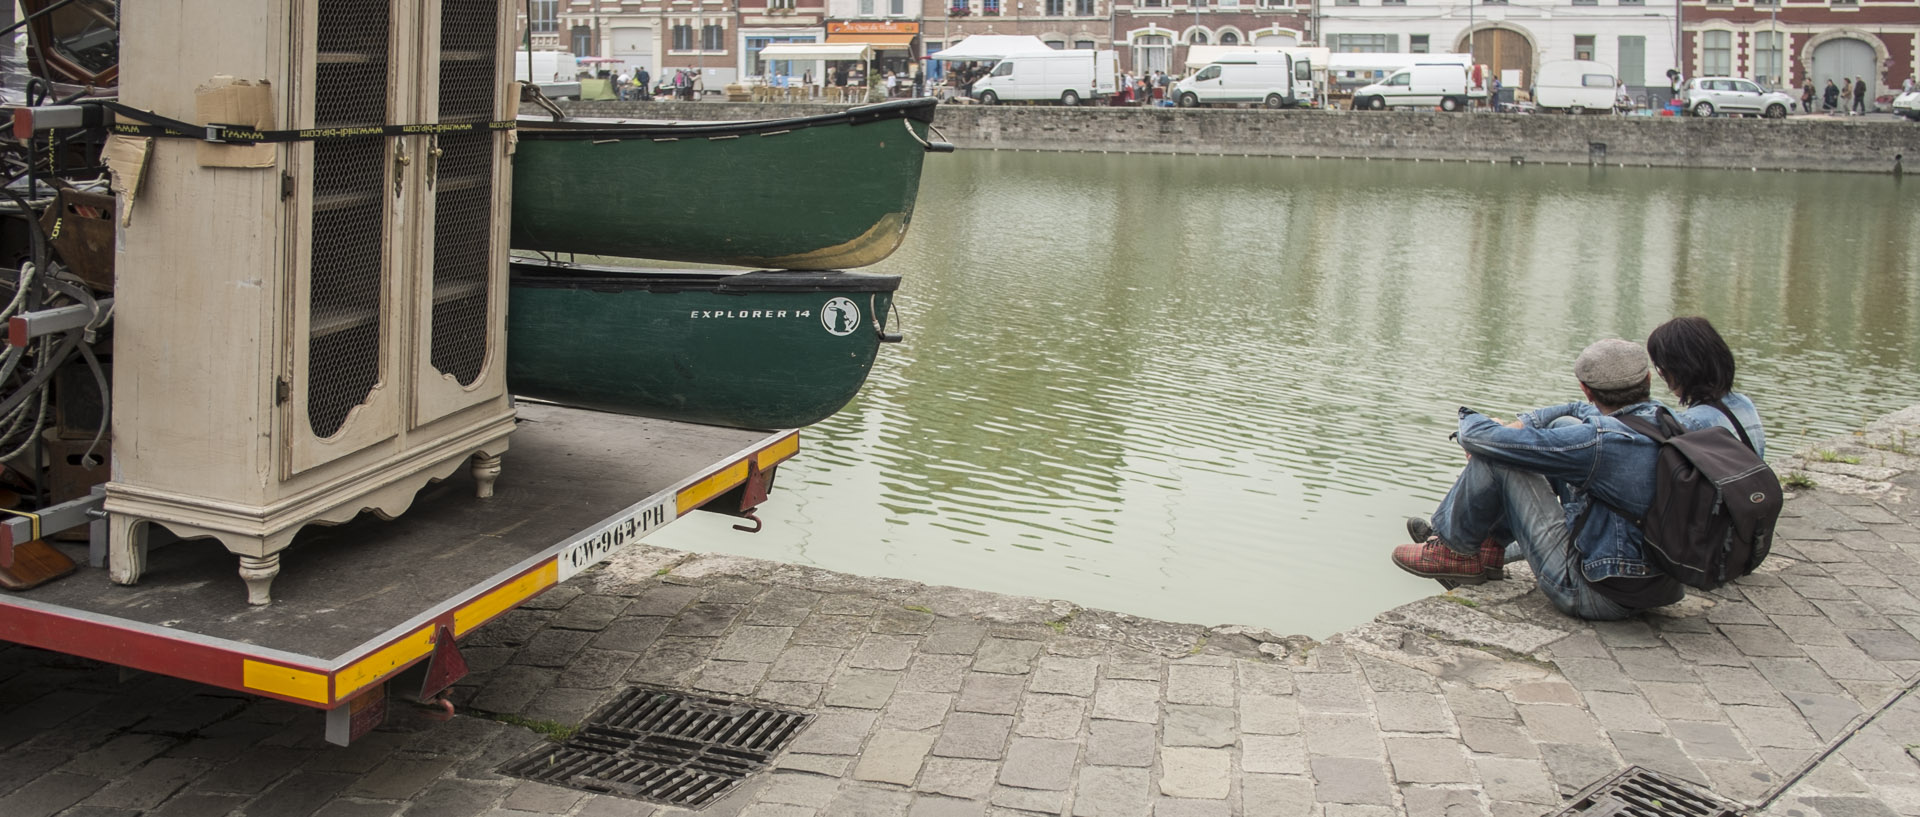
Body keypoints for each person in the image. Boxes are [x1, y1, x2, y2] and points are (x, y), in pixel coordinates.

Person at [1392, 339, 1683, 620]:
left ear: (1587, 391)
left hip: (1598, 595)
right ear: (1647, 380)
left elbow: (1478, 438)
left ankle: (1455, 550)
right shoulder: (1666, 420)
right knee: (1560, 425)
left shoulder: (1598, 441)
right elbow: (1574, 410)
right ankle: (1487, 550)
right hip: (1656, 583)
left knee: (1500, 457)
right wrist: (1526, 423)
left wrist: (1488, 426)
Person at [1647, 317, 1764, 459]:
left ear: (1682, 367)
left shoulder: (1690, 423)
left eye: (1661, 365)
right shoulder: (1744, 403)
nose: (1660, 372)